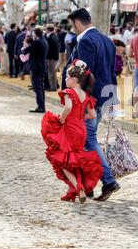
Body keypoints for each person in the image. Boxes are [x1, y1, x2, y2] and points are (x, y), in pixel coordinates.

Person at [67, 8, 120, 201]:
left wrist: (80, 99)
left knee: (88, 138)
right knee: (86, 139)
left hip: (91, 98)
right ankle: (89, 184)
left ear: (78, 23)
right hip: (106, 95)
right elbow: (112, 72)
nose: (73, 30)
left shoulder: (85, 41)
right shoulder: (107, 40)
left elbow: (83, 73)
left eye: (73, 26)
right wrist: (114, 98)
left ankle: (108, 180)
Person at [41, 60, 103, 204]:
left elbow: (68, 107)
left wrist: (62, 119)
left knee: (63, 161)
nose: (65, 79)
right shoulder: (86, 95)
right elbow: (93, 115)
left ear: (74, 80)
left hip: (70, 128)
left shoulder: (70, 92)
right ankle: (73, 191)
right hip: (81, 129)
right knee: (75, 160)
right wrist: (81, 116)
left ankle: (78, 187)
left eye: (67, 77)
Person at [22, 28, 49, 113]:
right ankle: (42, 106)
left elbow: (25, 51)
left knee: (37, 88)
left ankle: (40, 107)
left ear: (36, 34)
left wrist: (25, 45)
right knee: (41, 87)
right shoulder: (44, 41)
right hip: (42, 66)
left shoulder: (37, 42)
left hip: (36, 67)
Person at [45, 24, 60, 91]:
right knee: (51, 72)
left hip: (51, 57)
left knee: (51, 72)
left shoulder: (51, 37)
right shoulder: (53, 36)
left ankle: (53, 87)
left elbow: (54, 48)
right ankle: (54, 85)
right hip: (52, 57)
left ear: (48, 29)